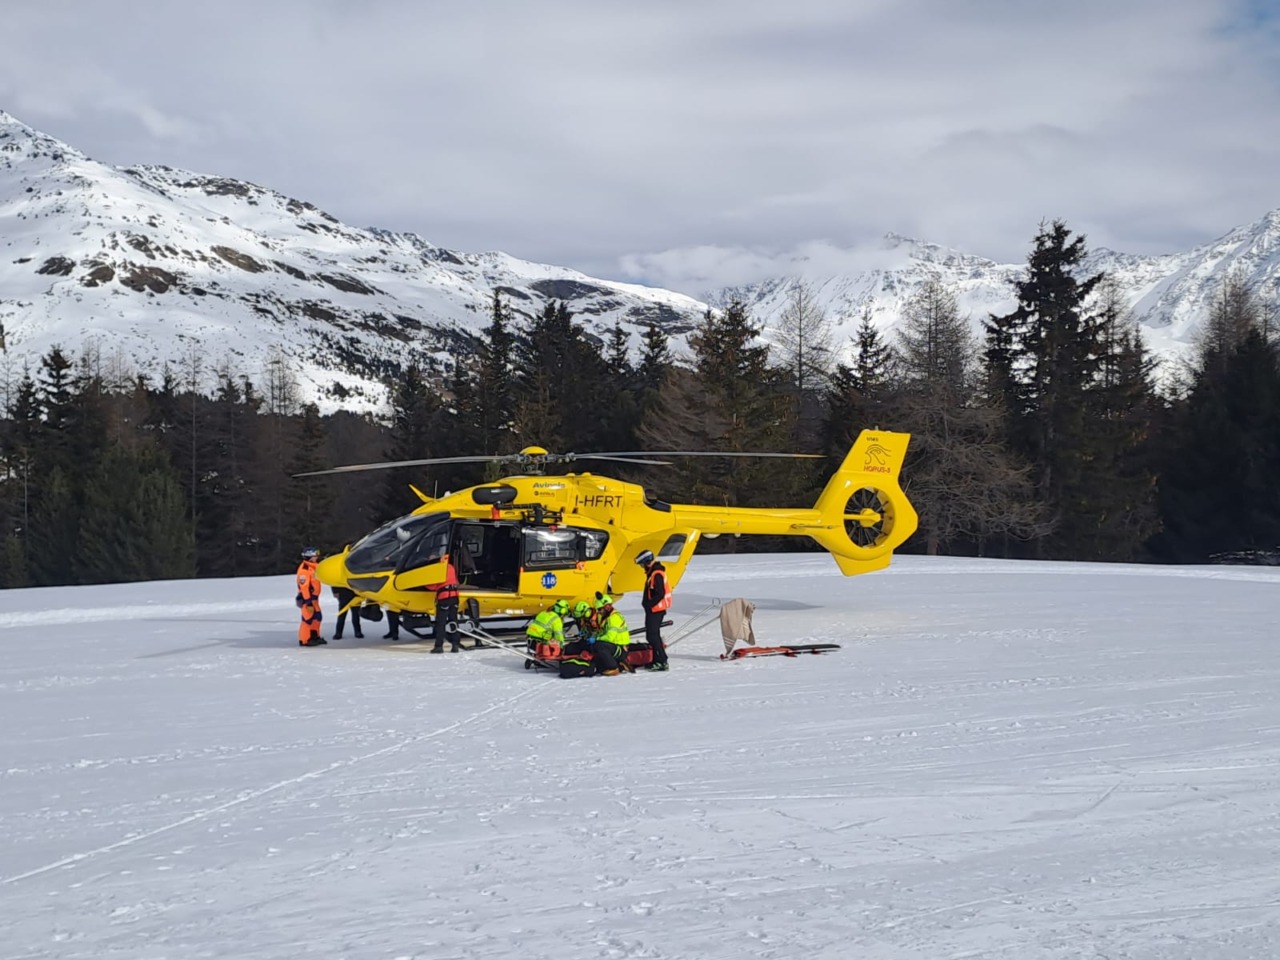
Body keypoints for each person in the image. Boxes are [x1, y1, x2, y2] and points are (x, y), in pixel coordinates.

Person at [636, 549, 671, 671]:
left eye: (642, 564)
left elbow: (660, 593)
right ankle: (657, 659)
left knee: (652, 636)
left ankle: (662, 661)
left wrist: (649, 604)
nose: (642, 567)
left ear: (647, 562)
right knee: (652, 636)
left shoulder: (656, 574)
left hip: (656, 610)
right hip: (653, 609)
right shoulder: (653, 573)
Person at [590, 592, 631, 676]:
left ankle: (613, 667)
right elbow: (603, 632)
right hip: (615, 646)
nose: (599, 612)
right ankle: (620, 665)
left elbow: (610, 637)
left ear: (607, 607)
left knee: (600, 646)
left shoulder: (614, 618)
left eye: (600, 609)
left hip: (621, 648)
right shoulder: (607, 618)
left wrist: (596, 639)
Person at [427, 555, 462, 653]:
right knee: (453, 621)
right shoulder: (450, 567)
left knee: (441, 623)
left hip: (444, 597)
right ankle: (455, 644)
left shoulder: (438, 568)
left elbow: (433, 586)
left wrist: (425, 584)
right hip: (454, 596)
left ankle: (439, 646)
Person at [295, 547, 326, 646]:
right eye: (315, 555)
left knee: (317, 618)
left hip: (314, 598)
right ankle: (304, 640)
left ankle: (314, 636)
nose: (317, 556)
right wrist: (308, 601)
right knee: (307, 619)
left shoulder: (314, 567)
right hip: (307, 598)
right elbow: (304, 587)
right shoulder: (304, 569)